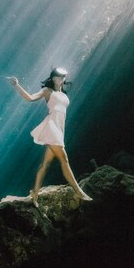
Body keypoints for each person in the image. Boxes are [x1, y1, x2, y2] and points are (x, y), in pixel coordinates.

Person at [10, 67, 92, 206]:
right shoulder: (47, 91)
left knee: (46, 163)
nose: (62, 78)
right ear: (53, 78)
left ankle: (34, 194)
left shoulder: (64, 95)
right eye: (59, 76)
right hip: (51, 126)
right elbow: (30, 98)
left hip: (59, 129)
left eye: (63, 76)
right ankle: (78, 191)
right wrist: (17, 85)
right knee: (64, 159)